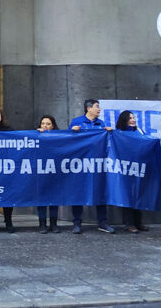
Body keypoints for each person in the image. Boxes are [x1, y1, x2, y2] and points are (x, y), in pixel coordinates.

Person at [68, 99, 114, 234]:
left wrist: (110, 133)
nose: (99, 109)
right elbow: (68, 141)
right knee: (78, 192)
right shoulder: (77, 122)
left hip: (98, 163)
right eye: (96, 107)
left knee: (100, 190)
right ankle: (77, 222)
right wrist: (72, 132)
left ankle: (102, 222)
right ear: (88, 108)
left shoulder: (101, 124)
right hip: (81, 164)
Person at [118, 110, 149, 234]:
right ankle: (129, 224)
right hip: (125, 169)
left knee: (138, 196)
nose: (133, 119)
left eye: (133, 117)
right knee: (127, 197)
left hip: (139, 168)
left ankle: (138, 222)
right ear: (124, 120)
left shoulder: (140, 131)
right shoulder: (119, 134)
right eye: (130, 118)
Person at [35, 114, 62, 233]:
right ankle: (42, 224)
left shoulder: (59, 136)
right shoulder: (35, 136)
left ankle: (54, 224)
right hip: (40, 172)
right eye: (43, 123)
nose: (45, 126)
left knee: (54, 198)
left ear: (53, 126)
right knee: (41, 199)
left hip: (54, 171)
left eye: (48, 124)